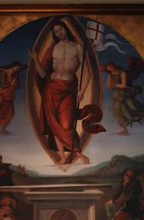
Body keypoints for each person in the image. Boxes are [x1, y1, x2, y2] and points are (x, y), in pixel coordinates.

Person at [30, 20, 103, 167]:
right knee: (54, 124)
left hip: (68, 89)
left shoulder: (77, 47)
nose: (59, 33)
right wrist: (36, 60)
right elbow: (43, 74)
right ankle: (63, 157)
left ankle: (78, 153)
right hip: (51, 88)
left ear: (66, 29)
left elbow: (87, 72)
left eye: (61, 29)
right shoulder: (52, 49)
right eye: (56, 32)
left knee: (66, 124)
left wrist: (82, 91)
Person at [102, 59, 144, 135]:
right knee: (116, 113)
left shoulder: (122, 73)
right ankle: (124, 130)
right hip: (117, 96)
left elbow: (124, 85)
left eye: (111, 67)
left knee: (134, 108)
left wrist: (115, 85)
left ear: (114, 66)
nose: (110, 69)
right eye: (109, 69)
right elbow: (108, 86)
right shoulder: (110, 75)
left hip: (125, 95)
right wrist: (111, 85)